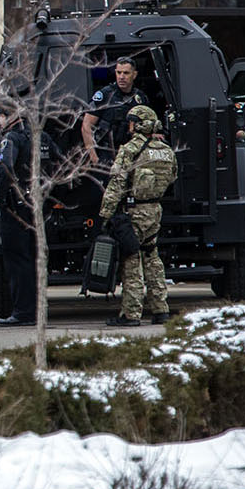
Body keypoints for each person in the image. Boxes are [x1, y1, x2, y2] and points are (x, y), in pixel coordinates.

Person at [99, 104, 178, 327]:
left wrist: (105, 214)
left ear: (138, 124)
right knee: (152, 257)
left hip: (134, 212)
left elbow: (116, 183)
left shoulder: (131, 149)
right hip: (155, 210)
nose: (129, 126)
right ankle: (160, 309)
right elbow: (172, 177)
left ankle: (131, 314)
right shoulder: (166, 150)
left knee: (131, 260)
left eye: (131, 122)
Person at [0, 114, 54, 327]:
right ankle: (38, 309)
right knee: (35, 258)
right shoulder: (42, 137)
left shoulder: (11, 139)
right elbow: (59, 162)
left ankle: (23, 312)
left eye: (0, 116)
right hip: (38, 206)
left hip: (16, 207)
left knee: (18, 260)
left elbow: (6, 167)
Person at [81, 57, 149, 166]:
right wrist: (94, 158)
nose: (121, 77)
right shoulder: (105, 95)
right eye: (119, 72)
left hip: (131, 154)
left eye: (126, 73)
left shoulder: (140, 98)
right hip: (106, 154)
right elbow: (86, 125)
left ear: (134, 74)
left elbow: (147, 127)